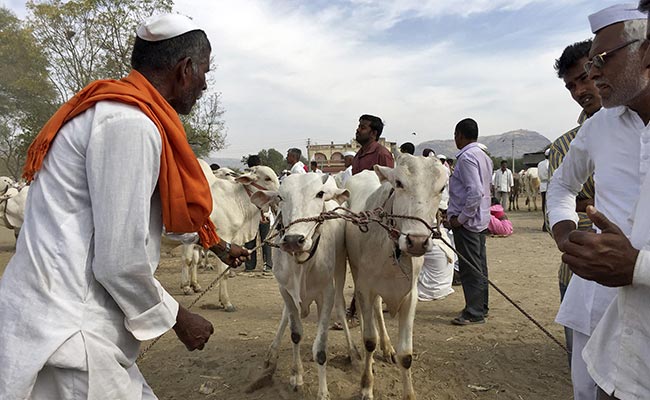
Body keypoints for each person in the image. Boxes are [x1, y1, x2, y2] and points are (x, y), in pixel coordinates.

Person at [0, 13, 251, 399]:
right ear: (185, 69)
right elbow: (119, 260)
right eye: (204, 71)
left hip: (64, 322)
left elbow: (152, 218)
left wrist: (215, 244)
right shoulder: (129, 124)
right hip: (72, 332)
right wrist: (179, 319)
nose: (204, 84)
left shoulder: (120, 113)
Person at [547, 5, 648, 400]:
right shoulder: (598, 127)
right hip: (597, 299)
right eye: (589, 66)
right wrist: (565, 233)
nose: (592, 76)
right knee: (589, 388)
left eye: (602, 61)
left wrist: (636, 266)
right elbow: (560, 187)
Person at [549, 37, 602, 367]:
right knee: (584, 369)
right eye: (571, 86)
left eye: (584, 78)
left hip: (638, 275)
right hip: (579, 274)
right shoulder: (565, 146)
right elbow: (564, 198)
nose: (580, 90)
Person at [446, 118, 493, 325]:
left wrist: (460, 219)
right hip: (480, 220)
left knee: (470, 267)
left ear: (460, 135)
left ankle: (474, 312)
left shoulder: (466, 158)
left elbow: (475, 192)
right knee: (479, 266)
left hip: (468, 223)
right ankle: (480, 306)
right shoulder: (483, 156)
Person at [244, 155, 273, 273]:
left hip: (250, 214)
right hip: (262, 213)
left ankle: (250, 265)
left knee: (250, 239)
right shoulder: (262, 176)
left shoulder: (246, 177)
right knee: (265, 239)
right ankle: (268, 264)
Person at [538, 149, 550, 231]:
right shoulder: (550, 163)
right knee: (549, 205)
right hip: (550, 185)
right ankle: (547, 224)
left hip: (542, 185)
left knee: (543, 205)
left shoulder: (540, 164)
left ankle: (545, 223)